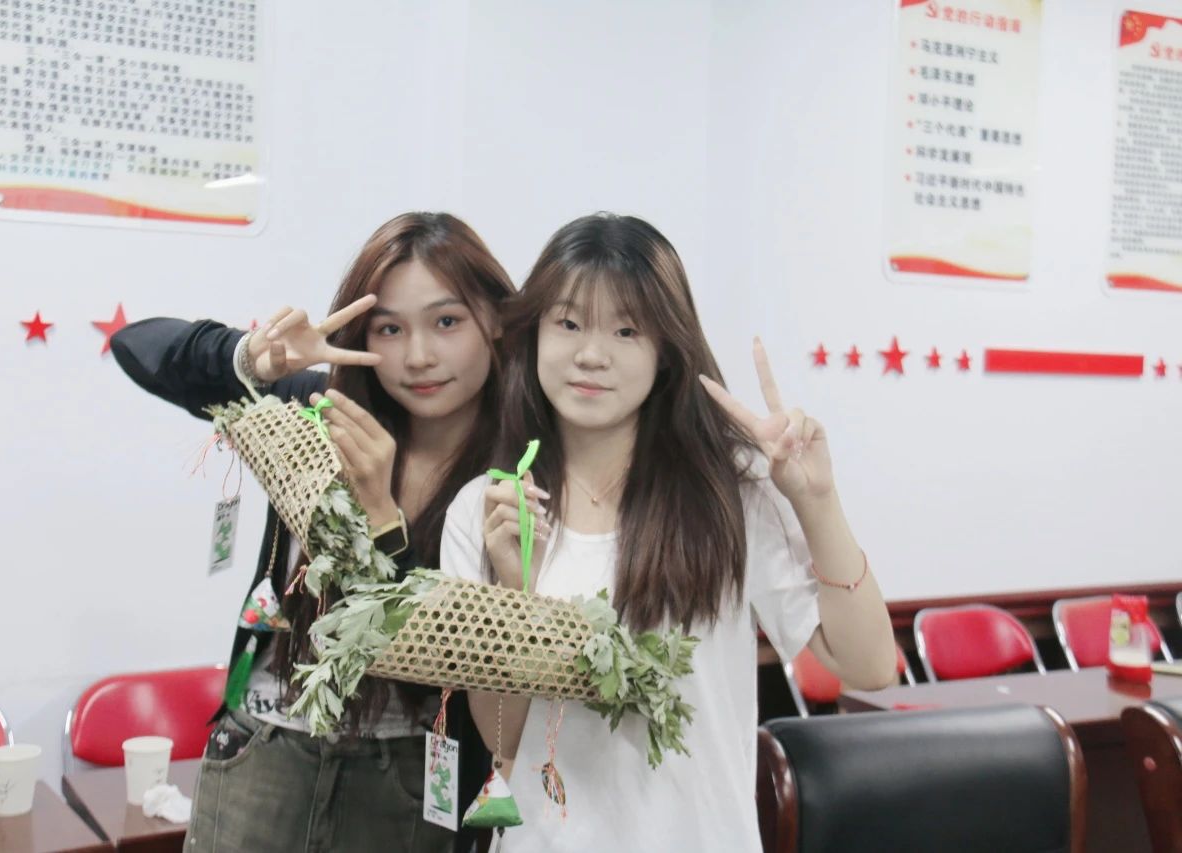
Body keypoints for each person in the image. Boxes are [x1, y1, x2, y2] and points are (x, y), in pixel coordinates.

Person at [439, 213, 896, 851]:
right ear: (534, 333)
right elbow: (502, 738)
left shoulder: (730, 494)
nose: (592, 354)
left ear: (665, 352)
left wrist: (816, 501)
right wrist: (518, 595)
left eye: (627, 330)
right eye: (568, 323)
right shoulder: (483, 510)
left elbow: (870, 666)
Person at [111, 211, 513, 853]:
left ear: (494, 320)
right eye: (389, 329)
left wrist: (383, 519)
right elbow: (139, 346)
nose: (418, 356)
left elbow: (446, 648)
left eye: (447, 322)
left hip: (416, 774)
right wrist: (254, 357)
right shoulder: (323, 408)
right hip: (264, 748)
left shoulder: (517, 467)